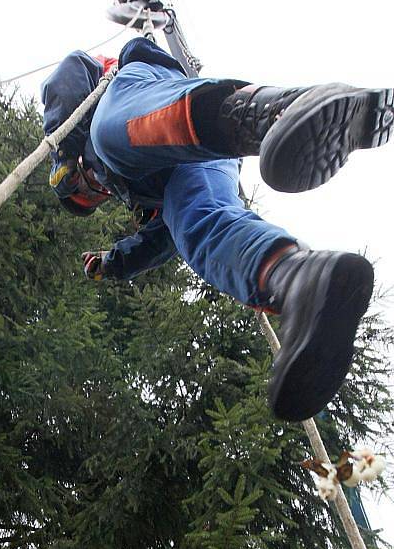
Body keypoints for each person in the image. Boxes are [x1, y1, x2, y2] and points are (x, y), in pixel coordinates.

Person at [40, 37, 393, 422]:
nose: (97, 189)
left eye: (84, 185)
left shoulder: (97, 102)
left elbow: (71, 68)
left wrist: (61, 145)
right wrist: (114, 263)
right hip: (191, 167)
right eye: (93, 197)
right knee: (195, 228)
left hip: (147, 95)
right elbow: (159, 242)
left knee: (110, 135)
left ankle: (270, 112)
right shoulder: (140, 198)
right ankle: (298, 280)